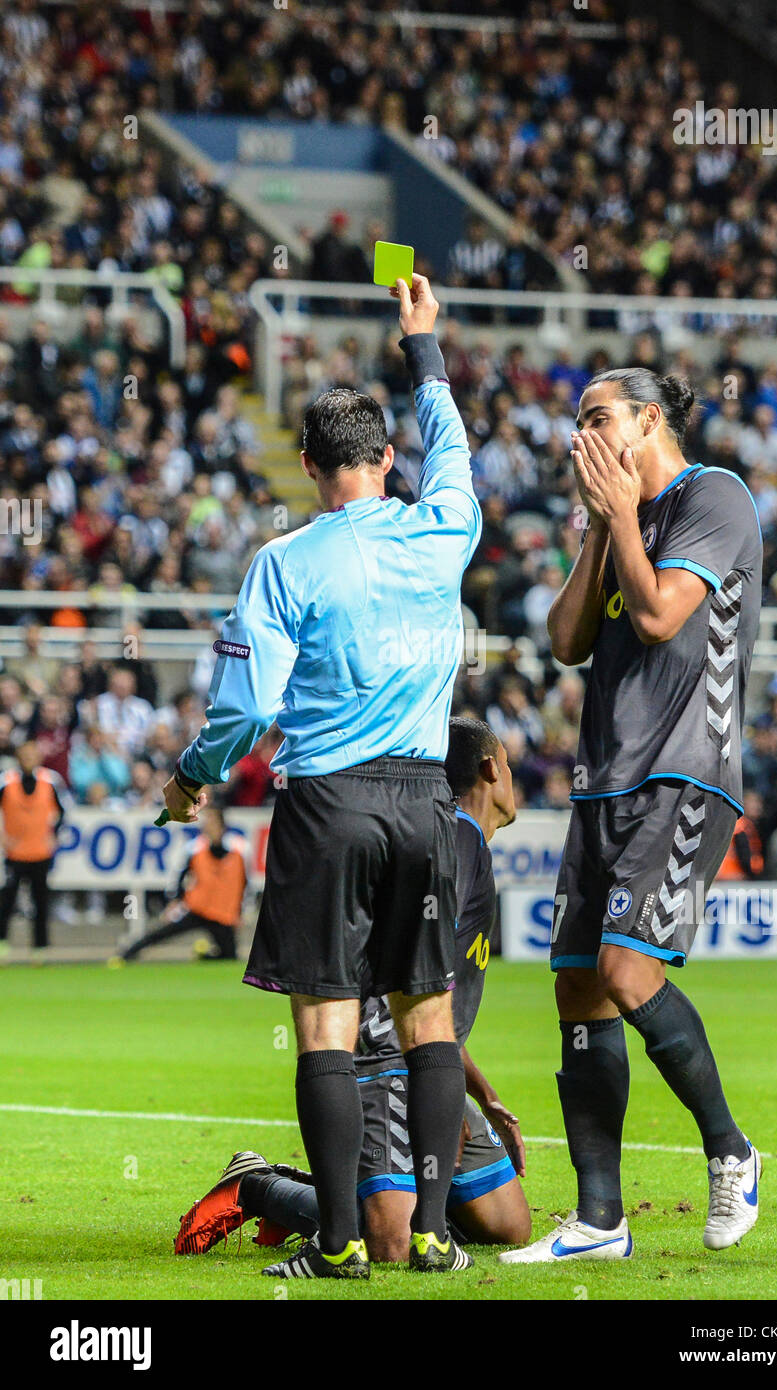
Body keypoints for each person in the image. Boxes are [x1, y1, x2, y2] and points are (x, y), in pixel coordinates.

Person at [158, 274, 483, 1279]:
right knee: (428, 1016)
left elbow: (246, 710)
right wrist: (420, 342)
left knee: (326, 1029)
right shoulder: (444, 527)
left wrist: (190, 777)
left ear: (306, 467)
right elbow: (459, 452)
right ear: (389, 461)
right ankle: (432, 1233)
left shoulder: (282, 562)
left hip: (327, 804)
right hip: (427, 801)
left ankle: (338, 1239)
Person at [501, 367, 763, 1266]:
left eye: (598, 417)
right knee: (577, 983)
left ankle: (731, 1150)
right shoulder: (613, 517)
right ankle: (599, 1222)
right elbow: (568, 640)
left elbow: (657, 617)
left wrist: (619, 519)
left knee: (624, 966)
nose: (582, 433)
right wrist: (597, 526)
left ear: (650, 420)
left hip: (686, 773)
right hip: (603, 781)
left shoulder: (715, 497)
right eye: (578, 419)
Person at [174, 718, 532, 1266]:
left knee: (509, 1226)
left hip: (430, 1064)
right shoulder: (449, 839)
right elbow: (404, 990)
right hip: (385, 1056)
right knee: (387, 1245)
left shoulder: (470, 845)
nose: (512, 776)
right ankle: (259, 1185)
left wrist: (479, 1094)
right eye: (507, 764)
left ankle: (391, 1193)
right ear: (491, 769)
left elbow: (438, 1006)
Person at [113, 807, 247, 963]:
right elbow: (179, 878)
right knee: (162, 933)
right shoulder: (196, 849)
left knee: (230, 956)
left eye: (211, 820)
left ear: (221, 825)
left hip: (223, 913)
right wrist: (175, 901)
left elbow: (243, 884)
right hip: (199, 907)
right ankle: (127, 954)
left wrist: (240, 911)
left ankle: (203, 955)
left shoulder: (238, 850)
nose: (207, 825)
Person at [0, 741, 66, 956]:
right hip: (14, 852)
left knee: (41, 902)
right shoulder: (6, 780)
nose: (28, 759)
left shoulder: (50, 780)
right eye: (24, 755)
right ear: (18, 757)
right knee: (6, 901)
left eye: (32, 755)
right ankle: (2, 944)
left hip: (40, 851)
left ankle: (40, 947)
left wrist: (54, 836)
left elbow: (64, 811)